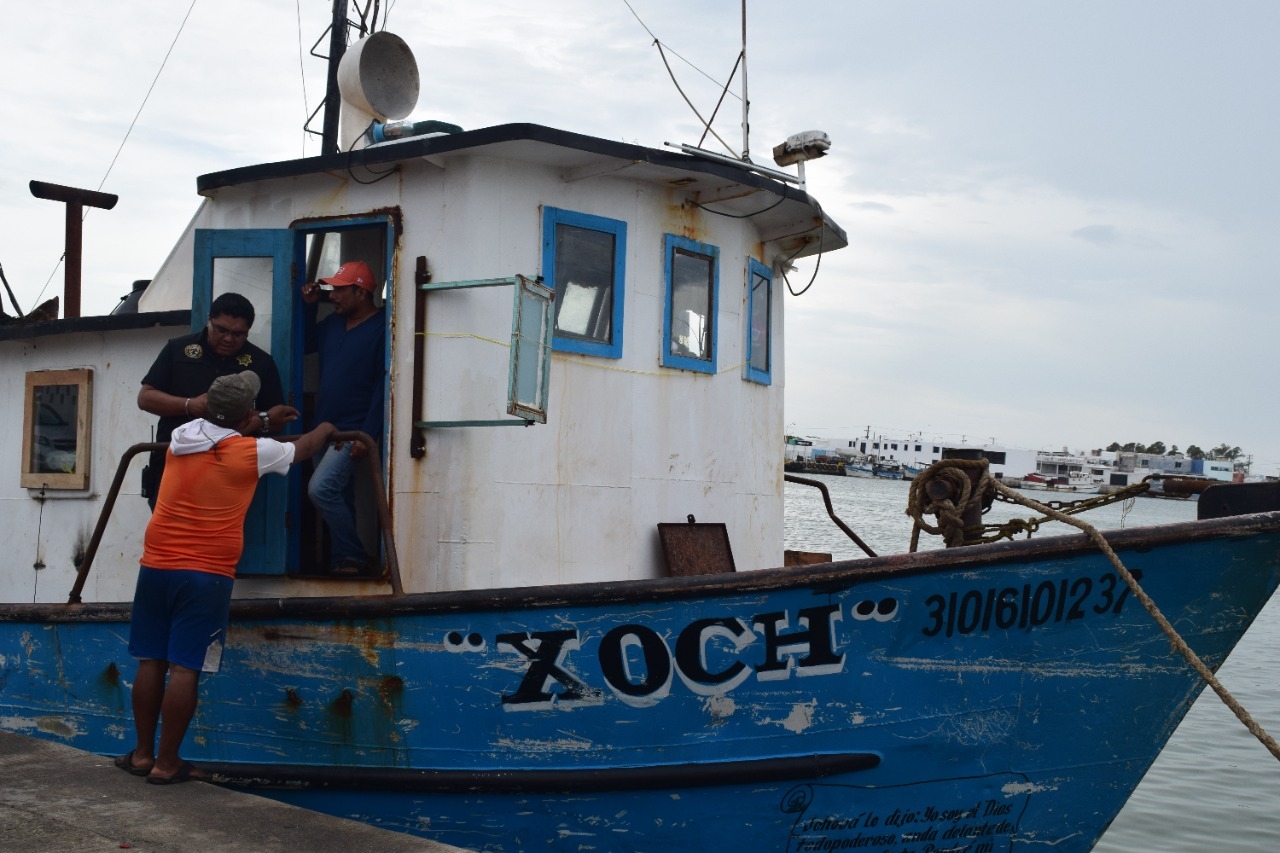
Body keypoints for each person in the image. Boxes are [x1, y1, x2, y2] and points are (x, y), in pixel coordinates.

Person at [115, 371, 335, 784]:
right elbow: (303, 448)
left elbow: (228, 427)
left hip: (156, 562)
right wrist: (327, 426)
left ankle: (143, 755)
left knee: (151, 660)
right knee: (184, 668)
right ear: (248, 412)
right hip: (205, 573)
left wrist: (261, 420)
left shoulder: (184, 435)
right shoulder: (251, 453)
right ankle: (167, 764)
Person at [138, 292, 286, 509]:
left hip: (228, 472)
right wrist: (190, 405)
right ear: (209, 320)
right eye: (221, 330)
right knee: (171, 536)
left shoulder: (261, 363)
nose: (228, 338)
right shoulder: (178, 349)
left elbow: (276, 417)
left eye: (238, 334)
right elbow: (145, 398)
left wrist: (258, 419)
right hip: (174, 465)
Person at [300, 260, 386, 574]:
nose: (332, 296)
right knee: (338, 493)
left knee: (320, 489)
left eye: (339, 290)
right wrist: (309, 308)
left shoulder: (381, 327)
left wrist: (369, 432)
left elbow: (382, 385)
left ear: (360, 292)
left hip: (353, 431)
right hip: (322, 427)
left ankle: (353, 555)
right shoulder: (333, 325)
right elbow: (306, 344)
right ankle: (344, 561)